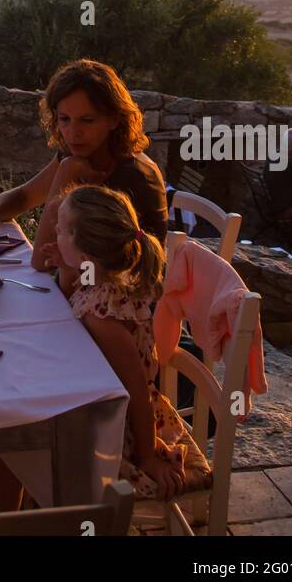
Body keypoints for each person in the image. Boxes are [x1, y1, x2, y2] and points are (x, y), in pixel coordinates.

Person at [55, 185, 211, 500]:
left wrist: (149, 456)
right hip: (100, 398)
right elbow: (69, 292)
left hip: (120, 424)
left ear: (86, 255)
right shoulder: (98, 280)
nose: (54, 231)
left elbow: (138, 390)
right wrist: (66, 266)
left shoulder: (105, 316)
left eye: (60, 229)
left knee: (46, 441)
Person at [0, 59, 168, 291]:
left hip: (121, 307)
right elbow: (23, 197)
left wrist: (67, 171)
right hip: (87, 292)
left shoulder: (132, 176)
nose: (72, 133)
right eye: (64, 119)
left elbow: (41, 260)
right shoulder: (82, 155)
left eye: (87, 120)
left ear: (114, 119)